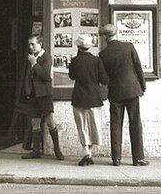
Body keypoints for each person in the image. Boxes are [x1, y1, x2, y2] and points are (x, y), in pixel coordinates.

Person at [98, 24, 148, 167]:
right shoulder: (129, 47)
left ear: (105, 38)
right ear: (116, 33)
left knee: (115, 125)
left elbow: (104, 78)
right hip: (132, 90)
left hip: (115, 93)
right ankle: (138, 158)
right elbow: (138, 68)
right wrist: (142, 86)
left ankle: (116, 159)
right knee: (135, 124)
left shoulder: (103, 54)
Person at [20, 35, 64, 160]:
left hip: (44, 94)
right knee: (35, 122)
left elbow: (46, 76)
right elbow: (28, 76)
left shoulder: (46, 57)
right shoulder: (31, 57)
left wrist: (34, 63)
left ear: (40, 44)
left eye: (33, 44)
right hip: (34, 94)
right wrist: (27, 90)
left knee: (50, 121)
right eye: (29, 44)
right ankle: (36, 151)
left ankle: (57, 150)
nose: (31, 47)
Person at [68, 33, 109, 166]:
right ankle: (89, 153)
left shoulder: (74, 61)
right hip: (94, 97)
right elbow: (104, 79)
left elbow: (72, 77)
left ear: (78, 47)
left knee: (82, 126)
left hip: (79, 97)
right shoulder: (97, 61)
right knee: (94, 125)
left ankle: (86, 152)